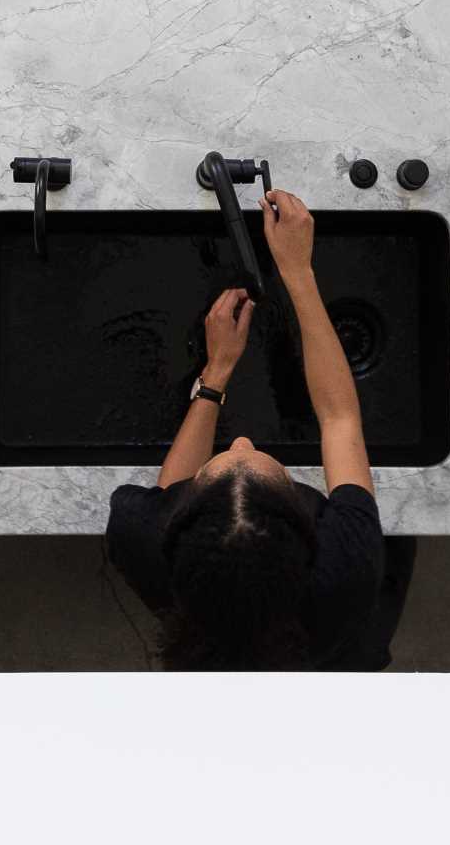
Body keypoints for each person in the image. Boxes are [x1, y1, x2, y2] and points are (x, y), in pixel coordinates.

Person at [104, 188, 415, 670]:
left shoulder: (141, 536)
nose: (242, 439)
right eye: (266, 467)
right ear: (309, 528)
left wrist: (218, 372)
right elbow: (339, 418)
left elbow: (168, 492)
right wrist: (298, 272)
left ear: (178, 521)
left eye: (222, 462)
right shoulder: (347, 564)